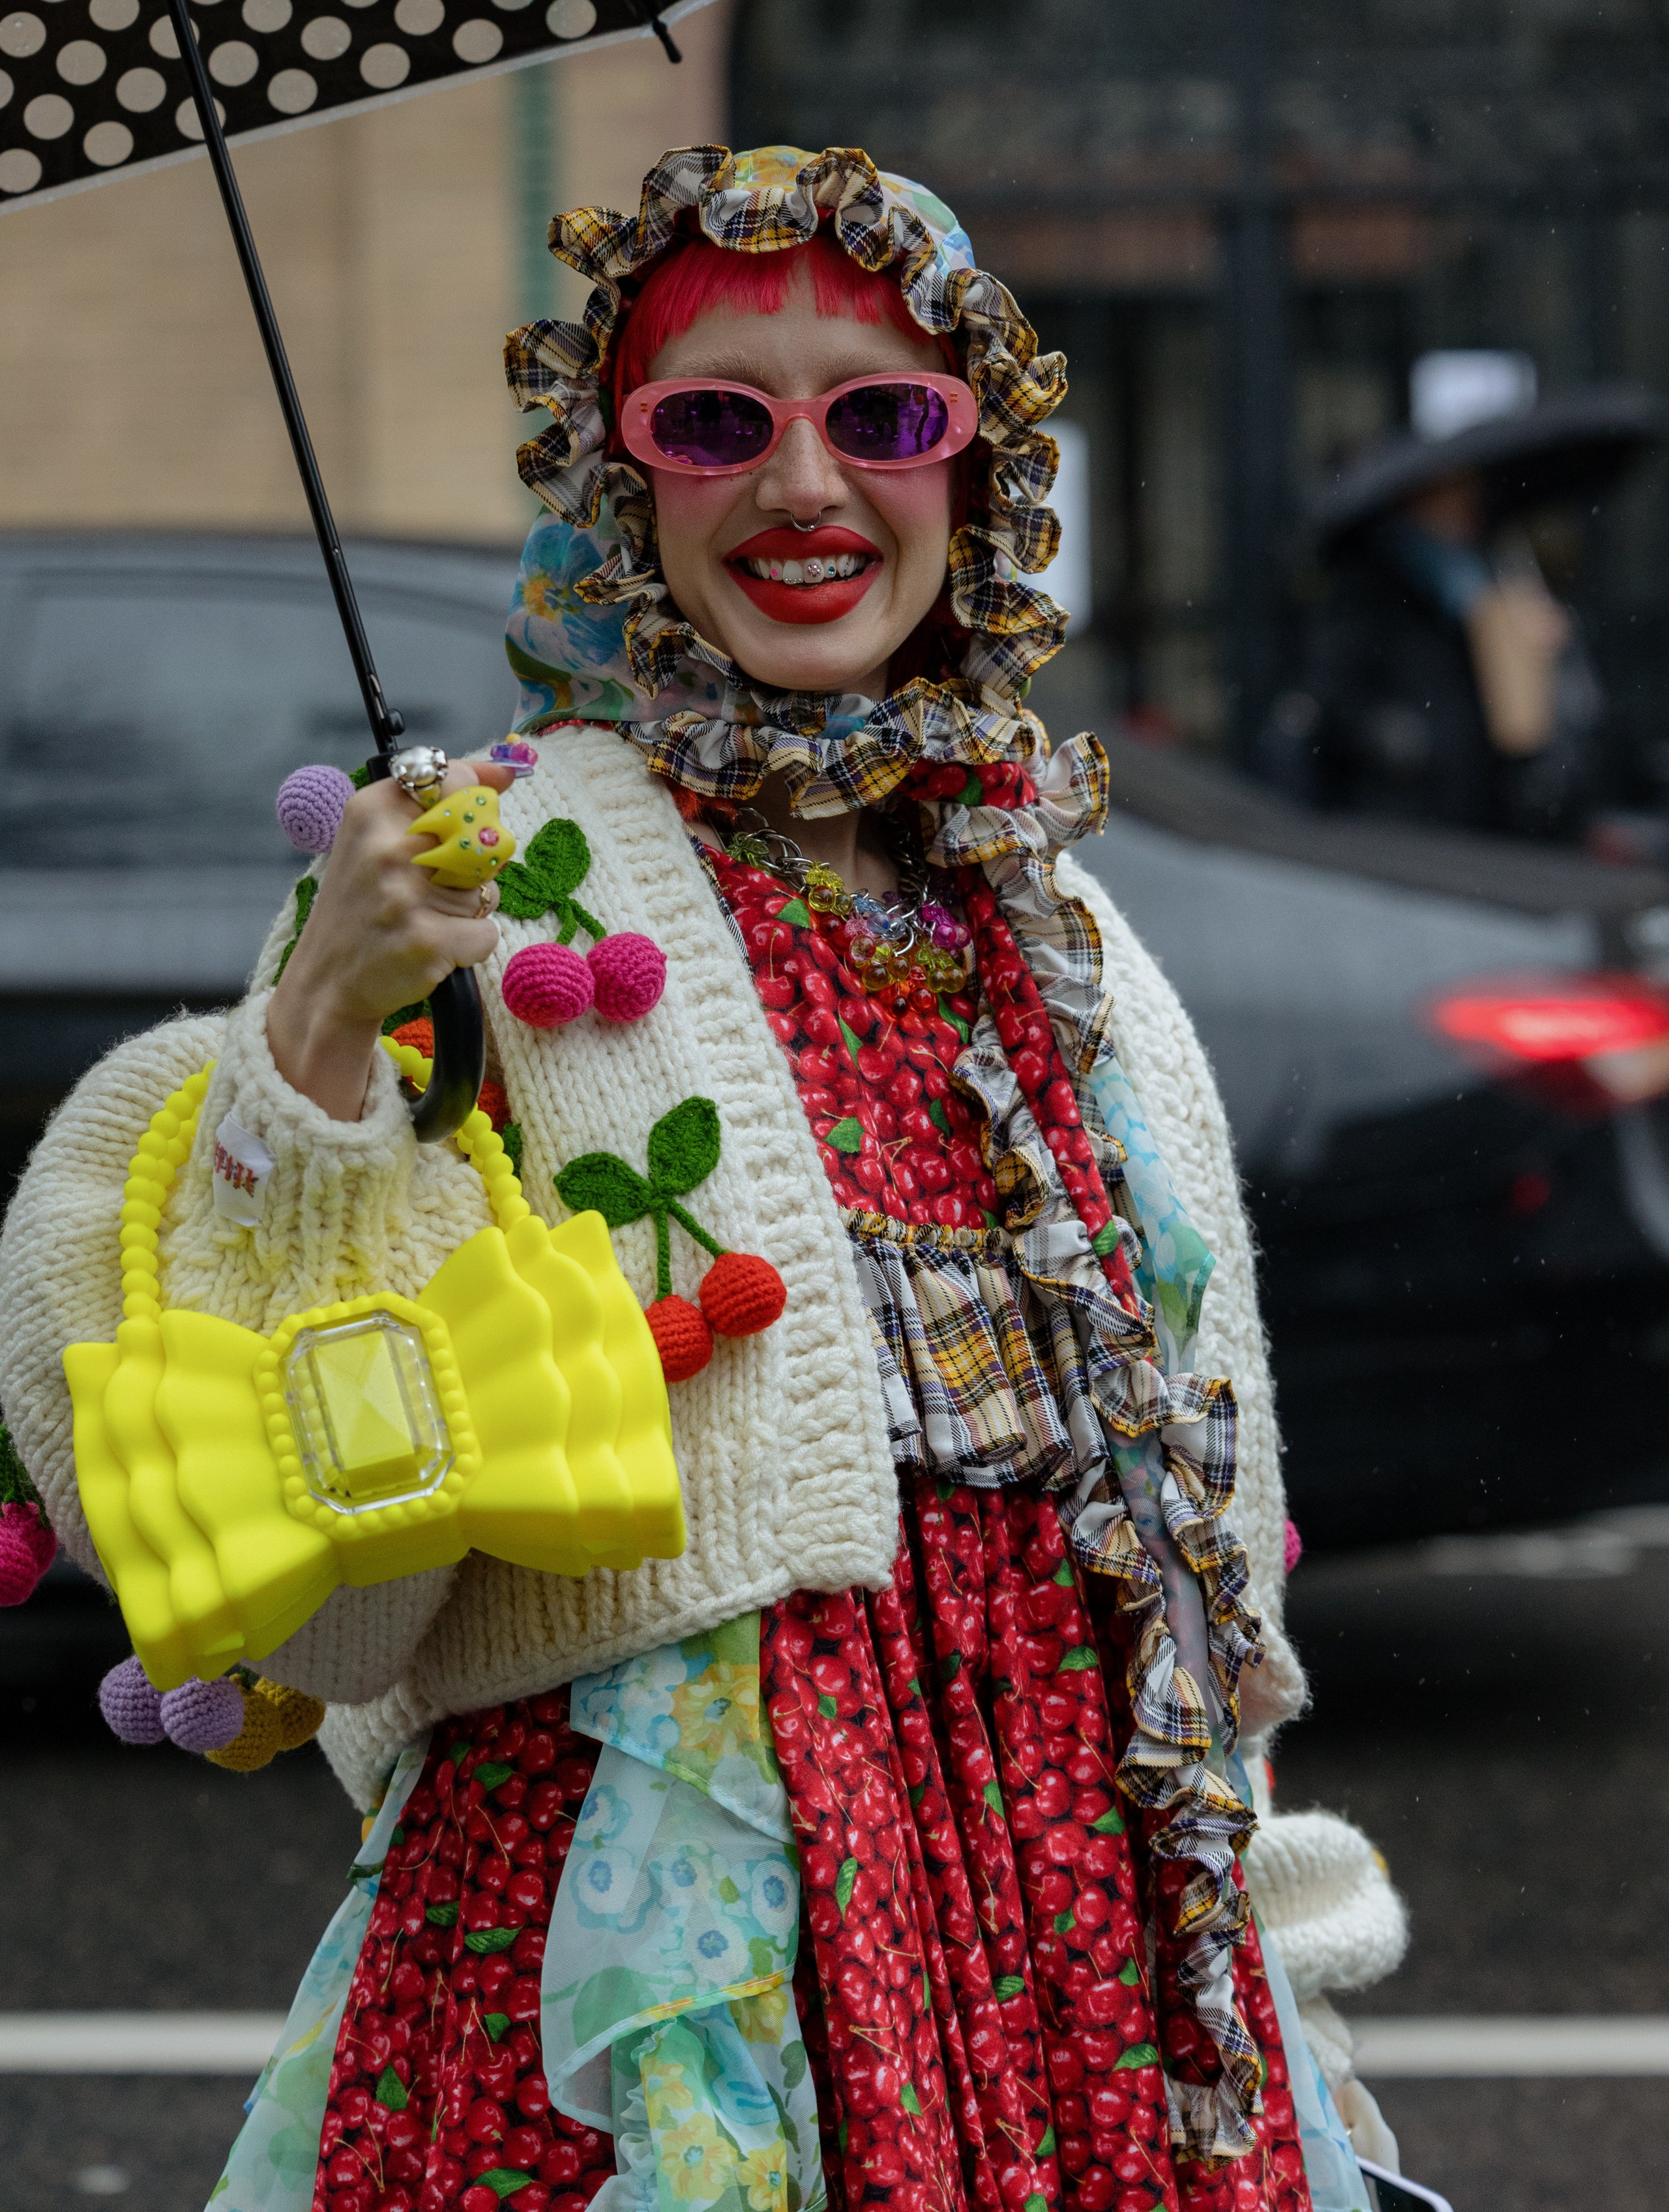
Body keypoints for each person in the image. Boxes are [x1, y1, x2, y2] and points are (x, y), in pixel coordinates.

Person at [0, 147, 1406, 2212]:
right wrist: (321, 1021)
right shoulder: (483, 868)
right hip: (655, 1911)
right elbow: (341, 1614)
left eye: (884, 415)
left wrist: (1226, 1833)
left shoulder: (1057, 923)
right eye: (714, 419)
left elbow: (1188, 1513)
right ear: (619, 470)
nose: (804, 485)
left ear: (983, 466)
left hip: (1079, 1909)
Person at [1263, 372, 1663, 838]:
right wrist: (1405, 744)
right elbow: (1331, 715)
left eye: (1469, 492)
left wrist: (1549, 662)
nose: (1464, 507)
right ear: (1417, 502)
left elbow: (1550, 745)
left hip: (1490, 831)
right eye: (1449, 495)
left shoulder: (1497, 577)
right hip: (1405, 835)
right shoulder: (1366, 595)